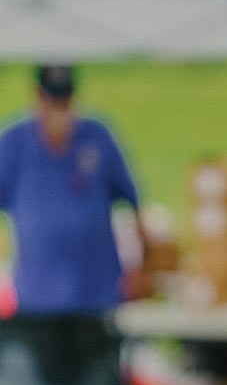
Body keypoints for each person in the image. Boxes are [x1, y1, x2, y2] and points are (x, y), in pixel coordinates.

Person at [0, 64, 144, 315]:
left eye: (64, 101)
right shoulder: (14, 142)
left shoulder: (96, 136)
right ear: (38, 98)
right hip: (36, 295)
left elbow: (133, 200)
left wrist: (139, 266)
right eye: (52, 101)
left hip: (96, 293)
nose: (58, 110)